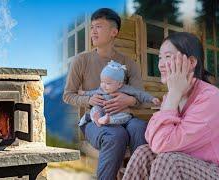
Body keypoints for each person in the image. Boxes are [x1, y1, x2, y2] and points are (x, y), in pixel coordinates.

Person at [63, 8, 148, 179]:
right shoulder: (81, 61)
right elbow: (68, 95)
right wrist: (89, 99)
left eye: (99, 26)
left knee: (140, 127)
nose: (93, 31)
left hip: (125, 118)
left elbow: (141, 98)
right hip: (95, 122)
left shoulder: (129, 64)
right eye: (92, 27)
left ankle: (141, 176)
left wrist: (128, 100)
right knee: (116, 135)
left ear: (113, 32)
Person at [123, 32, 219, 179]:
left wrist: (174, 92)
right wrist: (173, 95)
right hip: (185, 160)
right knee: (143, 152)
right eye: (159, 57)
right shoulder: (172, 97)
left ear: (191, 62)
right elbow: (152, 139)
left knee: (168, 160)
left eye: (167, 57)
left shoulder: (211, 98)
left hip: (213, 169)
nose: (160, 64)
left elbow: (162, 143)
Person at [78, 60, 160, 127]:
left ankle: (108, 120)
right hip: (103, 111)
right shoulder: (101, 89)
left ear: (119, 84)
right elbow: (92, 92)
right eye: (102, 82)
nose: (104, 85)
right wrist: (83, 93)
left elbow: (140, 94)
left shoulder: (125, 89)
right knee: (95, 109)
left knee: (126, 116)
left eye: (108, 83)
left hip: (118, 113)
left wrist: (152, 98)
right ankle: (95, 119)